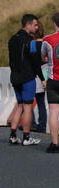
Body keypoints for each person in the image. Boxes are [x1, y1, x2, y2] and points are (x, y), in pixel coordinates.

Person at [8, 14, 44, 146]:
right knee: (28, 107)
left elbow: (11, 60)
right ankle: (26, 137)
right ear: (27, 25)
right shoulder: (32, 41)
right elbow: (35, 61)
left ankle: (13, 135)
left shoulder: (12, 39)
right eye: (35, 24)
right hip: (27, 77)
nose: (36, 27)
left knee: (19, 106)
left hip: (15, 77)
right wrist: (42, 78)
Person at [41, 12, 59, 153]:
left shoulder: (48, 39)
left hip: (53, 80)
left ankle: (55, 143)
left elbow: (43, 57)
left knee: (53, 112)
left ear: (54, 23)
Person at [30, 22, 48, 133]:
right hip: (47, 73)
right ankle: (42, 125)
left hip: (36, 74)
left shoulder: (32, 44)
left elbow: (32, 61)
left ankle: (31, 123)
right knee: (41, 102)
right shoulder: (47, 43)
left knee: (26, 101)